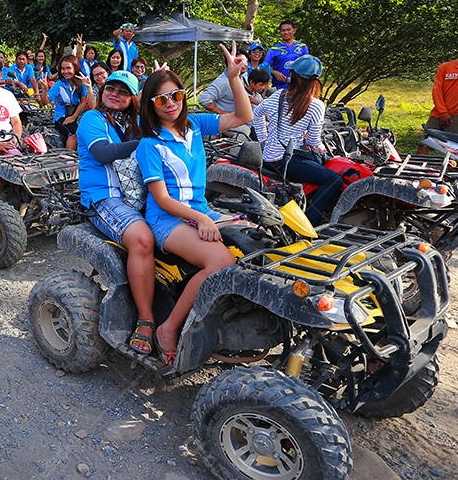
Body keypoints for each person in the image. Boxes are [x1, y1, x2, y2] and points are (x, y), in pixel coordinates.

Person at [137, 42, 252, 365]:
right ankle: (168, 328)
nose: (171, 103)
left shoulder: (195, 126)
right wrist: (200, 221)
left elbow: (245, 115)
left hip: (202, 211)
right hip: (167, 220)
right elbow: (160, 198)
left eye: (176, 95)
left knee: (260, 241)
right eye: (161, 99)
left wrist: (233, 78)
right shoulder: (150, 145)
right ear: (151, 104)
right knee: (220, 262)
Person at [77, 70, 156, 354]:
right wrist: (144, 143)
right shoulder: (92, 118)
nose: (115, 94)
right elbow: (103, 153)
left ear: (133, 98)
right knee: (142, 239)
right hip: (104, 197)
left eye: (124, 92)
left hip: (139, 192)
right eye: (111, 88)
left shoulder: (135, 123)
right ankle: (146, 319)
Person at [252, 55, 343, 226]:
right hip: (286, 160)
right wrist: (325, 149)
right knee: (334, 180)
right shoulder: (316, 105)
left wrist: (263, 140)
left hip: (271, 156)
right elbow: (315, 142)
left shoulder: (278, 95)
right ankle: (307, 223)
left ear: (293, 75)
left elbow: (256, 114)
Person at [40, 56, 91, 149]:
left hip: (78, 115)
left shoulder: (81, 83)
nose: (65, 71)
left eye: (68, 68)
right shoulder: (59, 84)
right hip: (61, 115)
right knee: (73, 133)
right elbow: (44, 102)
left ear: (75, 68)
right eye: (63, 69)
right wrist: (45, 90)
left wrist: (74, 116)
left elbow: (83, 102)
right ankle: (69, 159)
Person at [264, 20, 309, 89]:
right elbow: (264, 67)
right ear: (280, 33)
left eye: (288, 30)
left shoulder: (302, 47)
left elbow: (308, 66)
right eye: (283, 30)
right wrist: (274, 72)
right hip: (279, 87)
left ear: (294, 31)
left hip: (299, 87)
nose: (286, 32)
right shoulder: (274, 49)